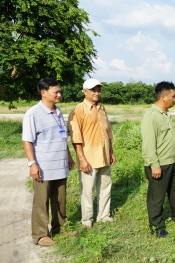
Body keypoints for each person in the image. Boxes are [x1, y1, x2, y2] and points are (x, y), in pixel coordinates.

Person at [22, 78, 75, 246]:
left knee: (59, 199)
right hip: (43, 167)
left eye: (60, 91)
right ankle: (40, 235)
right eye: (56, 92)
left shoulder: (58, 111)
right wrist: (32, 164)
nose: (59, 94)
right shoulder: (33, 113)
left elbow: (61, 137)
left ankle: (59, 227)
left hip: (59, 165)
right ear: (43, 93)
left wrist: (68, 156)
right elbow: (27, 141)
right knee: (41, 201)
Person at [141, 81, 175, 238]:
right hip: (159, 164)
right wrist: (154, 165)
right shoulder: (151, 116)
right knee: (156, 197)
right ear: (163, 96)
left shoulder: (166, 114)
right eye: (173, 96)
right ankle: (157, 226)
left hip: (171, 162)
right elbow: (148, 144)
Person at [68, 78, 116, 228]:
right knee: (87, 191)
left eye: (98, 90)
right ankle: (87, 220)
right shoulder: (78, 110)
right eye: (93, 90)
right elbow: (76, 139)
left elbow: (108, 133)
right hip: (88, 158)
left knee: (105, 187)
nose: (97, 92)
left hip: (104, 156)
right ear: (84, 92)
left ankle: (103, 216)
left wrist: (111, 151)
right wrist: (81, 159)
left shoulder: (102, 108)